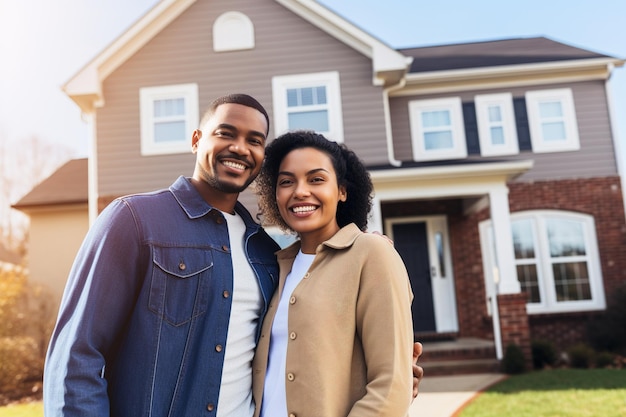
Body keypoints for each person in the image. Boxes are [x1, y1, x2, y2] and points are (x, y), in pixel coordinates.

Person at [43, 94, 423, 417]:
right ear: (196, 139)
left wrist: (396, 373)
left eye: (255, 140)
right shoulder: (134, 220)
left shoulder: (265, 253)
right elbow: (75, 358)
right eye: (226, 133)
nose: (240, 147)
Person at [252, 130, 415, 416]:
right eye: (286, 182)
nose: (300, 191)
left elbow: (391, 386)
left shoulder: (371, 254)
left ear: (342, 190)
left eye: (316, 179)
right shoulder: (274, 267)